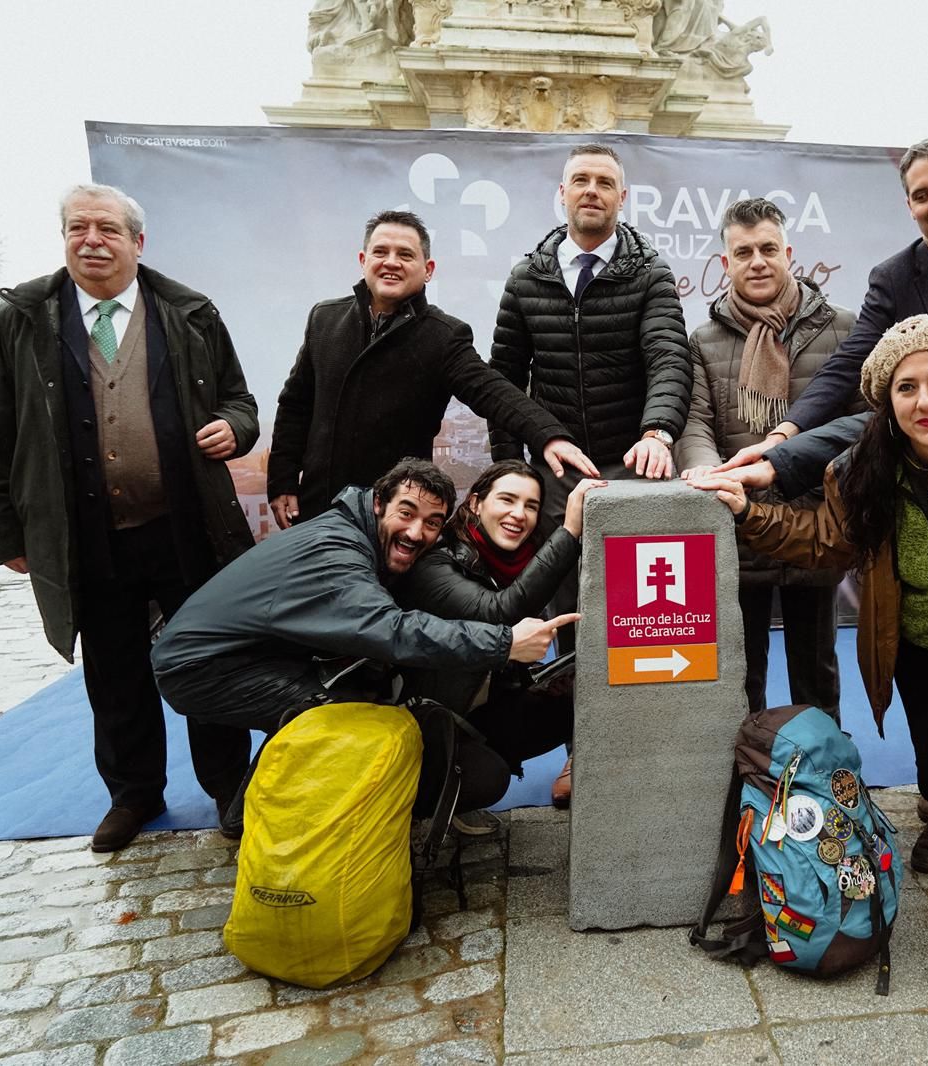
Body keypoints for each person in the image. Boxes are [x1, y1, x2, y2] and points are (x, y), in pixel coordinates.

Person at [692, 315, 928, 990]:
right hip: (919, 640)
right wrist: (749, 514)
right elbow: (824, 541)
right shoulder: (864, 464)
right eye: (907, 387)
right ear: (887, 401)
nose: (925, 401)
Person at [715, 134, 928, 802]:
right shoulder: (897, 278)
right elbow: (850, 374)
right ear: (908, 205)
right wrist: (784, 437)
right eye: (921, 195)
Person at [0, 183, 258, 853]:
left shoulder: (189, 313)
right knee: (113, 670)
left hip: (186, 528)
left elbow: (239, 401)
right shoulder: (23, 319)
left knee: (208, 660)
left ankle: (228, 787)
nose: (91, 239)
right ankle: (134, 794)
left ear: (138, 242)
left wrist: (232, 428)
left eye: (106, 228)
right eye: (78, 228)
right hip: (87, 536)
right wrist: (7, 535)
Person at [152, 458, 574, 833]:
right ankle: (277, 824)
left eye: (432, 522)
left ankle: (259, 813)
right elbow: (390, 630)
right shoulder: (338, 550)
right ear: (378, 504)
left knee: (335, 703)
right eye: (406, 513)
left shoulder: (355, 536)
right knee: (344, 718)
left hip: (247, 652)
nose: (416, 531)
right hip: (201, 667)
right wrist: (503, 644)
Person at [490, 142, 691, 800]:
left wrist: (658, 429)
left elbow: (667, 356)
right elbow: (504, 383)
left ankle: (648, 748)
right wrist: (507, 473)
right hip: (557, 477)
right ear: (563, 192)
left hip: (633, 467)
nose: (592, 191)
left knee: (642, 617)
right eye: (581, 180)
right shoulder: (526, 278)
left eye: (606, 182)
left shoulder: (649, 272)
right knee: (569, 624)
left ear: (622, 197)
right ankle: (581, 754)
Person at [267, 209, 596, 528]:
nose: (391, 262)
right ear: (363, 261)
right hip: (318, 509)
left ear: (428, 269)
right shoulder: (324, 319)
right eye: (380, 251)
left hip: (393, 518)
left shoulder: (443, 336)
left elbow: (492, 392)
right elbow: (296, 406)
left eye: (405, 255)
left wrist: (549, 436)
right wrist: (282, 481)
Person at [675, 197, 858, 722]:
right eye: (744, 251)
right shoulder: (704, 341)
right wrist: (711, 471)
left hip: (814, 524)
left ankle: (825, 784)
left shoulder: (842, 329)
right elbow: (695, 421)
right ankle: (747, 782)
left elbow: (861, 420)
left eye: (768, 249)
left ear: (788, 253)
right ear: (726, 262)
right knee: (740, 674)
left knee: (816, 672)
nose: (757, 261)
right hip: (737, 521)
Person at [401, 462, 605, 811]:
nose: (518, 514)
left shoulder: (515, 559)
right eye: (507, 500)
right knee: (488, 778)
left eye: (531, 506)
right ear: (476, 503)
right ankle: (415, 800)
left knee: (585, 688)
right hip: (423, 722)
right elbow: (499, 612)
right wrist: (570, 531)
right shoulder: (436, 562)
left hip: (479, 705)